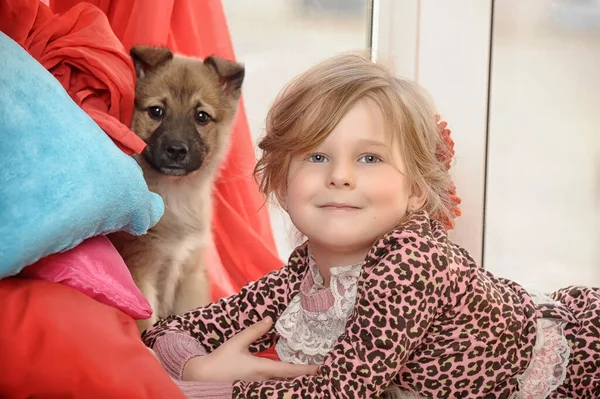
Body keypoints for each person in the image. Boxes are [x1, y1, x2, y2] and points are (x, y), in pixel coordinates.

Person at [142, 53, 600, 399]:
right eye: (318, 157)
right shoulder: (305, 272)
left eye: (370, 158)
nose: (341, 176)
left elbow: (340, 394)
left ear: (417, 190)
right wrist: (193, 361)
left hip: (581, 360)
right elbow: (176, 329)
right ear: (281, 184)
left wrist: (211, 383)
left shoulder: (412, 262)